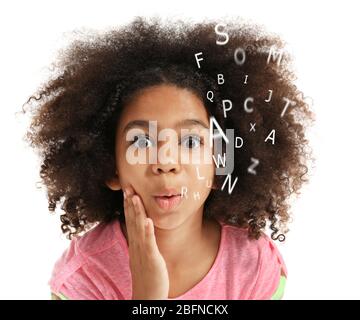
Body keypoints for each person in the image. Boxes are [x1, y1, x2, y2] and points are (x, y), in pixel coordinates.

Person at [23, 16, 313, 300]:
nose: (166, 162)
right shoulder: (83, 279)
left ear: (220, 162)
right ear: (111, 166)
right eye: (141, 141)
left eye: (190, 141)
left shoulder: (253, 266)